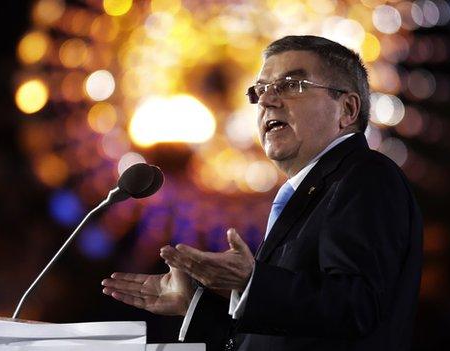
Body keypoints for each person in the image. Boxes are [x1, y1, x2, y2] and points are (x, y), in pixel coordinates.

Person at [101, 35, 423, 351]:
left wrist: (251, 282)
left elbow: (355, 308)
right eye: (260, 90)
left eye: (292, 85)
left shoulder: (366, 176)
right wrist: (195, 306)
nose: (267, 100)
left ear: (347, 109)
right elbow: (287, 334)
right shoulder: (306, 194)